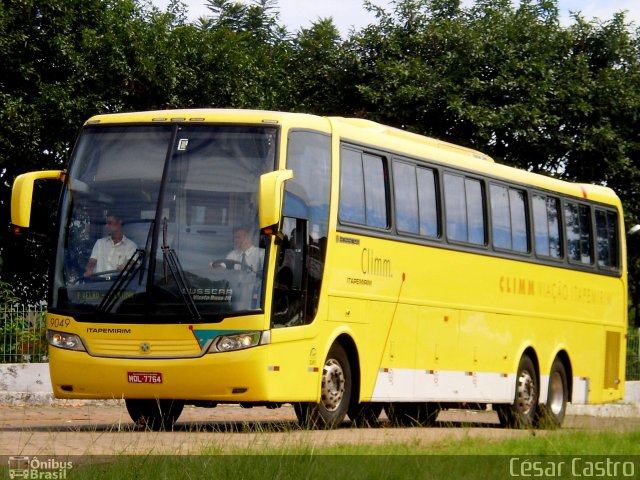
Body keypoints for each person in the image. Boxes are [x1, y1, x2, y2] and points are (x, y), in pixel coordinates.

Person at [84, 212, 137, 277]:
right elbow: (92, 261)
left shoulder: (130, 245)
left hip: (118, 284)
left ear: (119, 222)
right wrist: (89, 269)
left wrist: (126, 267)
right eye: (106, 223)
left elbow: (132, 264)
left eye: (109, 223)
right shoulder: (100, 243)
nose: (106, 226)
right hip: (98, 283)